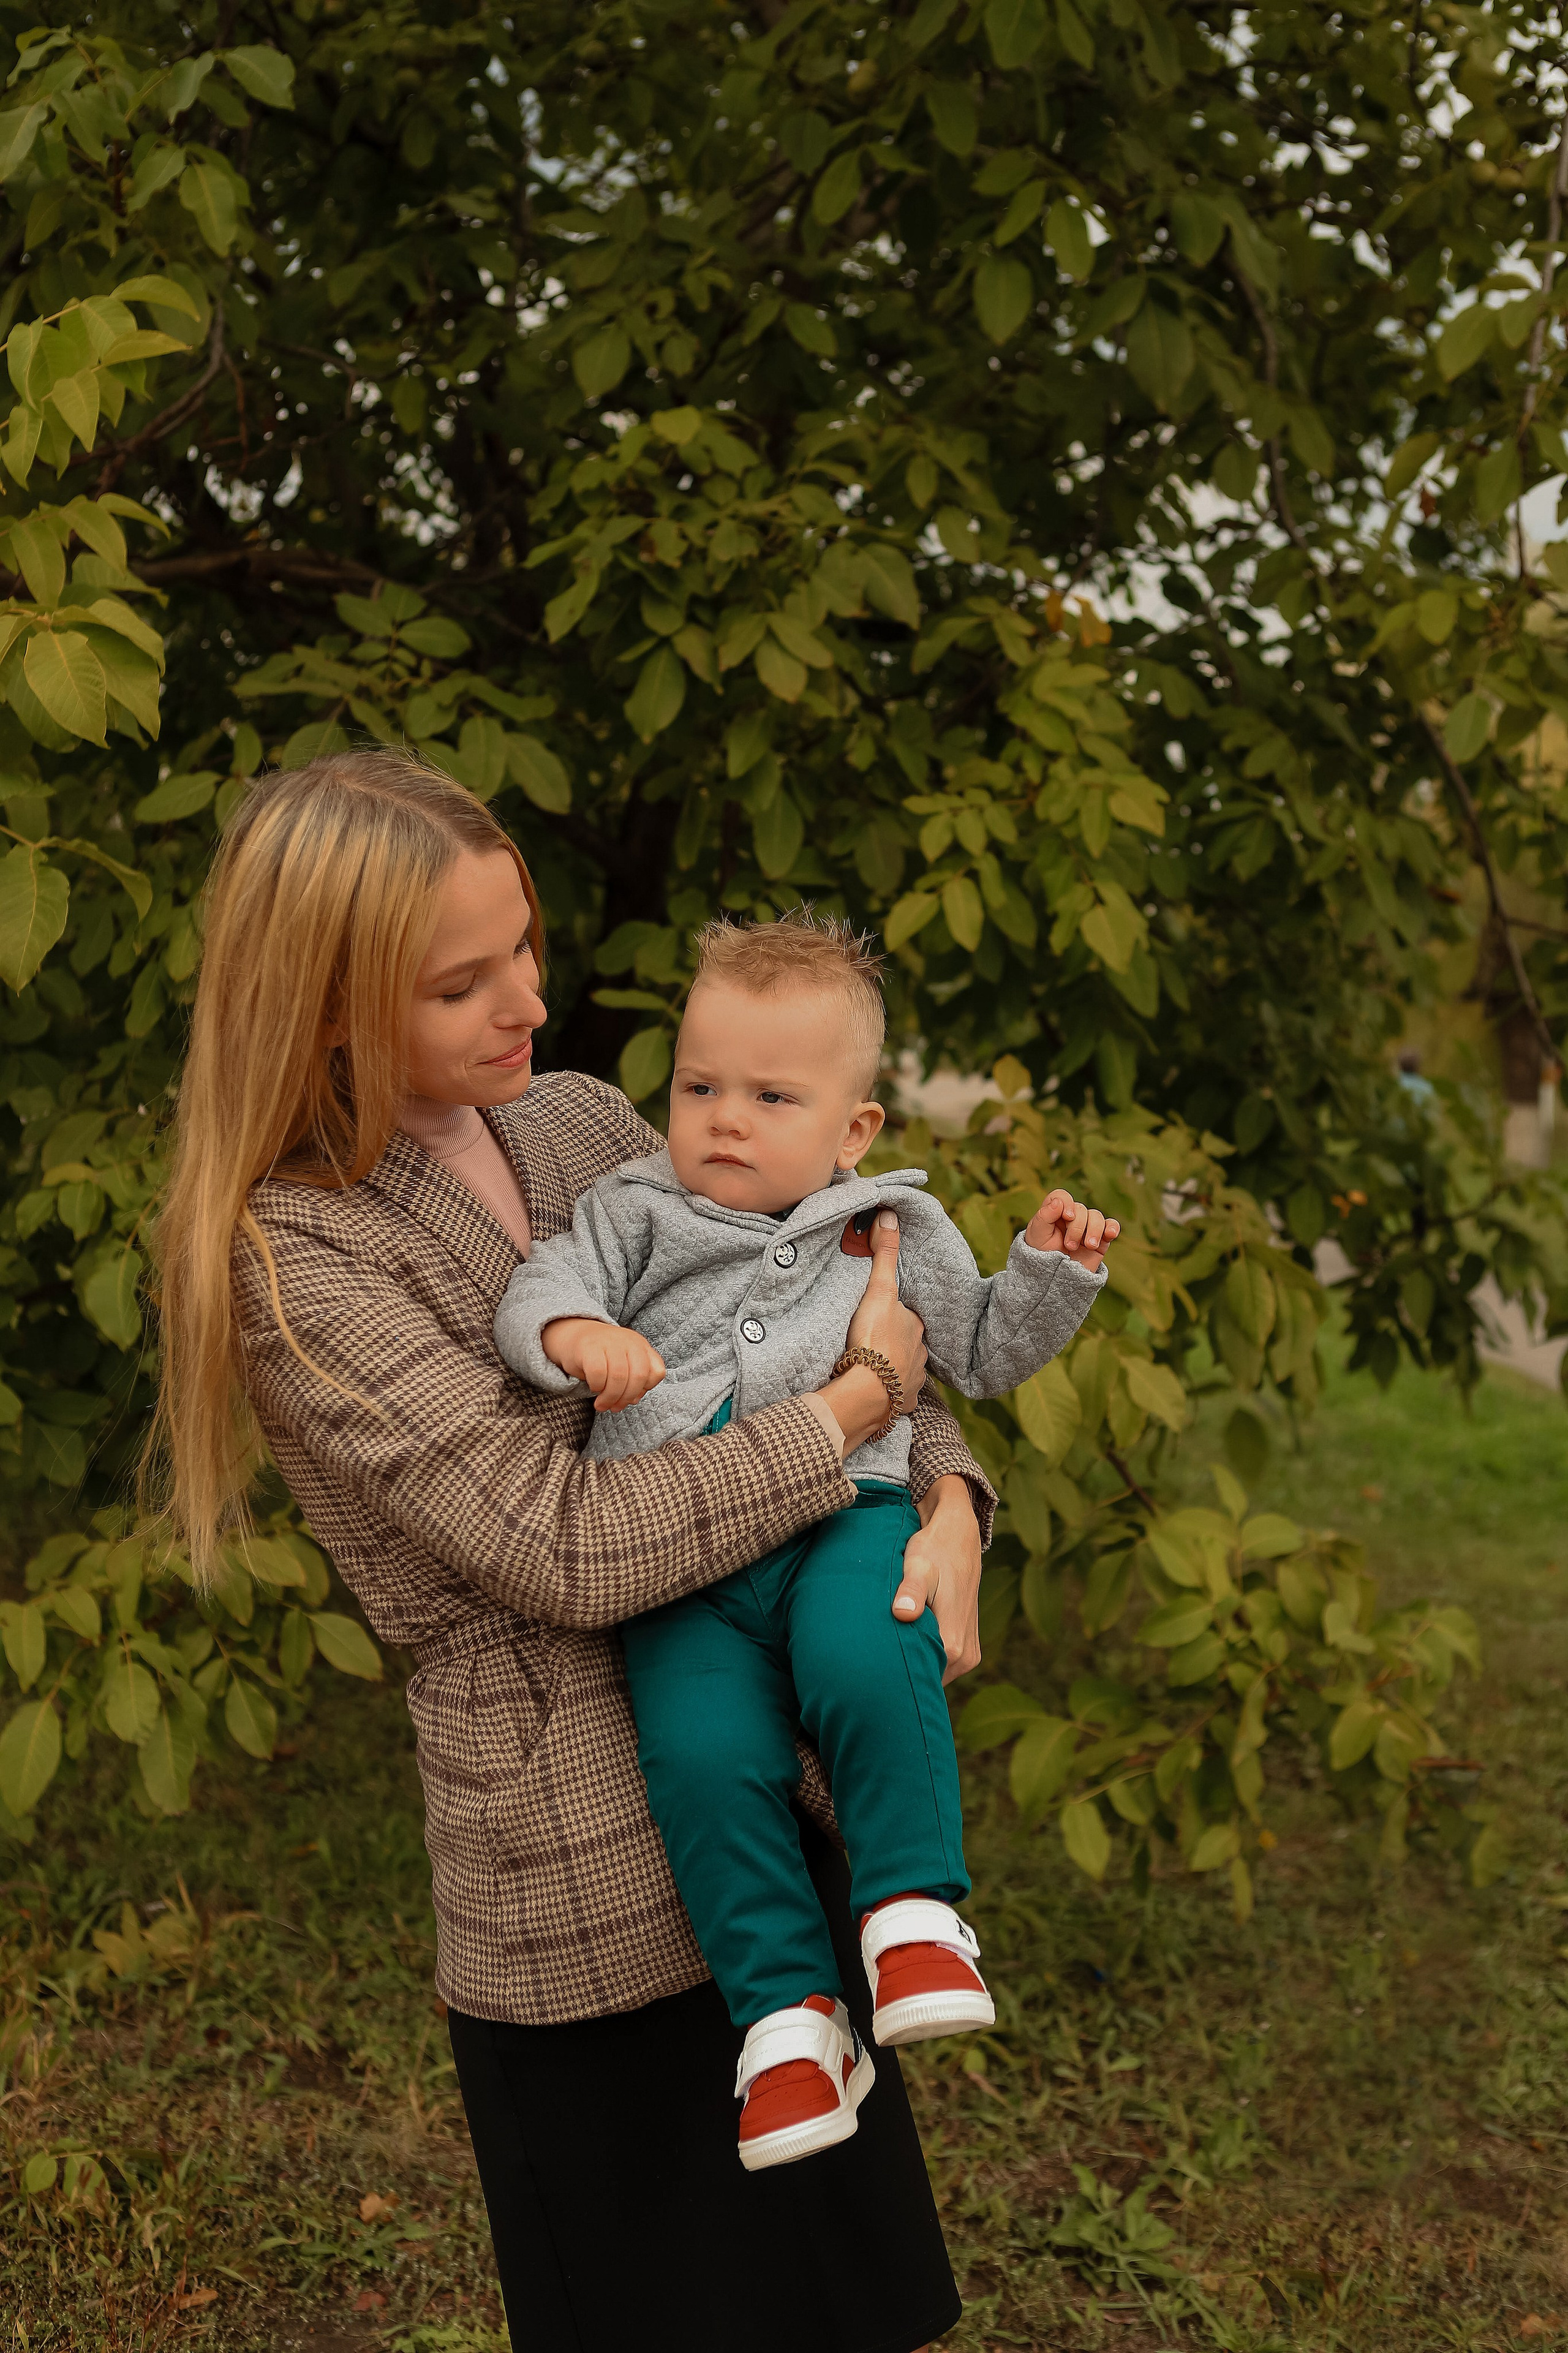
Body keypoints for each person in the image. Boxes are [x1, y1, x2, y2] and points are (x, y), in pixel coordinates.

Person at [148, 749, 997, 2353]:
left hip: (776, 1804)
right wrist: (861, 1408)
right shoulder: (302, 1257)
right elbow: (565, 1545)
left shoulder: (588, 1122)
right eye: (459, 982)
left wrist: (948, 1489)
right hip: (588, 1893)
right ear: (323, 1003)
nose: (527, 999)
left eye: (524, 946)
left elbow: (831, 1309)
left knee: (862, 2311)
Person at [496, 912, 1117, 2172]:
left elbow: (981, 1353)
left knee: (863, 1650)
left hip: (841, 1512)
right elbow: (537, 1283)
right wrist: (573, 1340)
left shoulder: (891, 1225)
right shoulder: (632, 1209)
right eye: (699, 1085)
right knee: (701, 1751)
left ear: (851, 1131)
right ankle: (788, 2016)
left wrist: (1044, 1272)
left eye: (771, 1095)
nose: (725, 1118)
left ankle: (908, 1908)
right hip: (677, 1562)